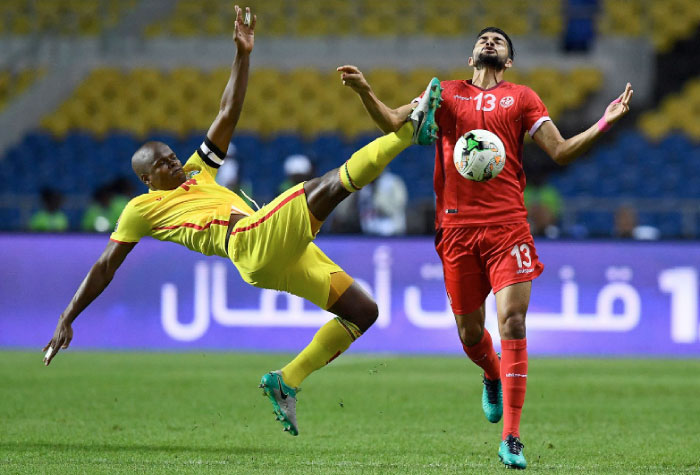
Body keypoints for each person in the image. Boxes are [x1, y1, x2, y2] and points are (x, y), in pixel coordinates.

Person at [42, 5, 442, 438]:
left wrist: (243, 54)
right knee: (323, 187)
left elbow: (227, 113)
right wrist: (68, 315)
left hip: (274, 258)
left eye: (173, 156)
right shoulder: (140, 210)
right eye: (163, 164)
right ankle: (408, 134)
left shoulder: (198, 171)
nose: (175, 163)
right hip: (247, 241)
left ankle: (285, 381)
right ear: (146, 178)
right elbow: (105, 266)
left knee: (363, 312)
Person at [339, 27, 633, 469]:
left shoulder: (522, 98)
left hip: (508, 227)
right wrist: (366, 92)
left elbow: (562, 151)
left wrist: (605, 120)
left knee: (512, 321)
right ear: (472, 53)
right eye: (485, 39)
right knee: (470, 334)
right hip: (456, 230)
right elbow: (394, 123)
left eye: (500, 41)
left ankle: (511, 437)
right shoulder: (444, 94)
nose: (491, 43)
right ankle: (492, 372)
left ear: (509, 61)